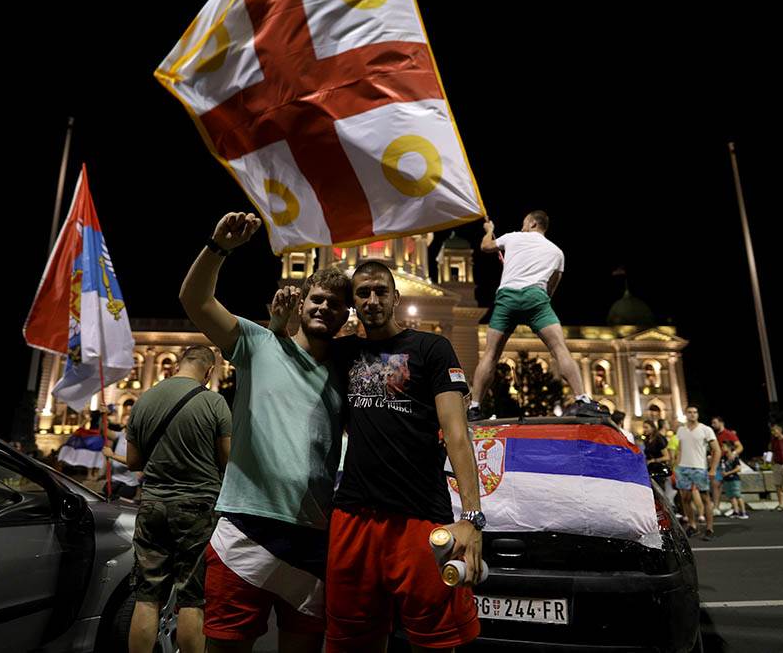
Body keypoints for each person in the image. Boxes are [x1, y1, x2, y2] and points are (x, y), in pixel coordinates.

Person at [180, 211, 351, 653]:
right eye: (316, 298)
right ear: (300, 302)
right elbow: (196, 300)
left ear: (345, 316)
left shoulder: (344, 375)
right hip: (245, 528)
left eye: (335, 304)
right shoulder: (257, 344)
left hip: (313, 536)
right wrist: (218, 249)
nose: (323, 308)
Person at [317, 261, 483, 652]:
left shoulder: (432, 348)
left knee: (436, 641)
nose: (372, 300)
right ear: (353, 304)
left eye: (380, 291)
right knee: (350, 641)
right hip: (354, 516)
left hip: (421, 518)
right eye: (362, 293)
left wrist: (472, 518)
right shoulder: (341, 353)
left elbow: (457, 434)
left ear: (396, 296)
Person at [123, 345, 232, 653]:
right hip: (197, 507)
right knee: (192, 599)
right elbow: (226, 460)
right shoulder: (213, 402)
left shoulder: (144, 399)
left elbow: (133, 461)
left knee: (147, 596)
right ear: (210, 372)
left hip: (152, 504)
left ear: (179, 364)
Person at [469, 211, 606, 420]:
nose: (522, 225)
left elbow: (486, 246)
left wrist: (490, 231)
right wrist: (540, 299)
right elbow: (552, 285)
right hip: (537, 298)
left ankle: (475, 407)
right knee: (559, 349)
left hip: (507, 298)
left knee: (491, 354)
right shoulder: (557, 252)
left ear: (533, 223)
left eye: (525, 222)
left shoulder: (513, 237)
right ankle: (582, 400)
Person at [675, 405, 721, 540]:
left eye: (695, 412)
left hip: (699, 468)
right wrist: (677, 467)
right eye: (689, 412)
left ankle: (709, 528)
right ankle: (692, 525)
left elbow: (717, 450)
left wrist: (712, 469)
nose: (692, 414)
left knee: (705, 498)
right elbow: (680, 450)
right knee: (686, 499)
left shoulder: (706, 430)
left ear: (698, 414)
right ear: (686, 414)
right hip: (683, 469)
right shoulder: (681, 430)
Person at [102, 405, 140, 502]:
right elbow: (104, 430)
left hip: (128, 484)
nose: (127, 421)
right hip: (114, 480)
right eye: (126, 419)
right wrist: (104, 415)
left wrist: (112, 455)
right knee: (105, 501)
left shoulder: (138, 440)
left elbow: (132, 461)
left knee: (119, 507)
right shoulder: (121, 435)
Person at [709, 416, 743, 516]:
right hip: (718, 463)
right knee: (716, 484)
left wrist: (734, 453)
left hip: (729, 465)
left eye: (715, 423)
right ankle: (716, 507)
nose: (713, 425)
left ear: (721, 423)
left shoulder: (729, 434)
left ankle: (735, 508)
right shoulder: (714, 435)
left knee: (731, 486)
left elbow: (740, 446)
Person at [719, 441, 748, 519]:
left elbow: (738, 468)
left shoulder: (734, 457)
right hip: (726, 479)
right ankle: (736, 511)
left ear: (729, 447)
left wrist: (728, 473)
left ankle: (743, 512)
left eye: (723, 446)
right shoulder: (723, 458)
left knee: (737, 495)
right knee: (731, 496)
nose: (722, 448)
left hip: (734, 479)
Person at [642, 420, 671, 489]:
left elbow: (667, 457)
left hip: (659, 469)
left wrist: (654, 460)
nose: (644, 430)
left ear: (652, 428)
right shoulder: (647, 439)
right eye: (643, 427)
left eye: (646, 427)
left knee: (659, 489)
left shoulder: (659, 438)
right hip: (651, 469)